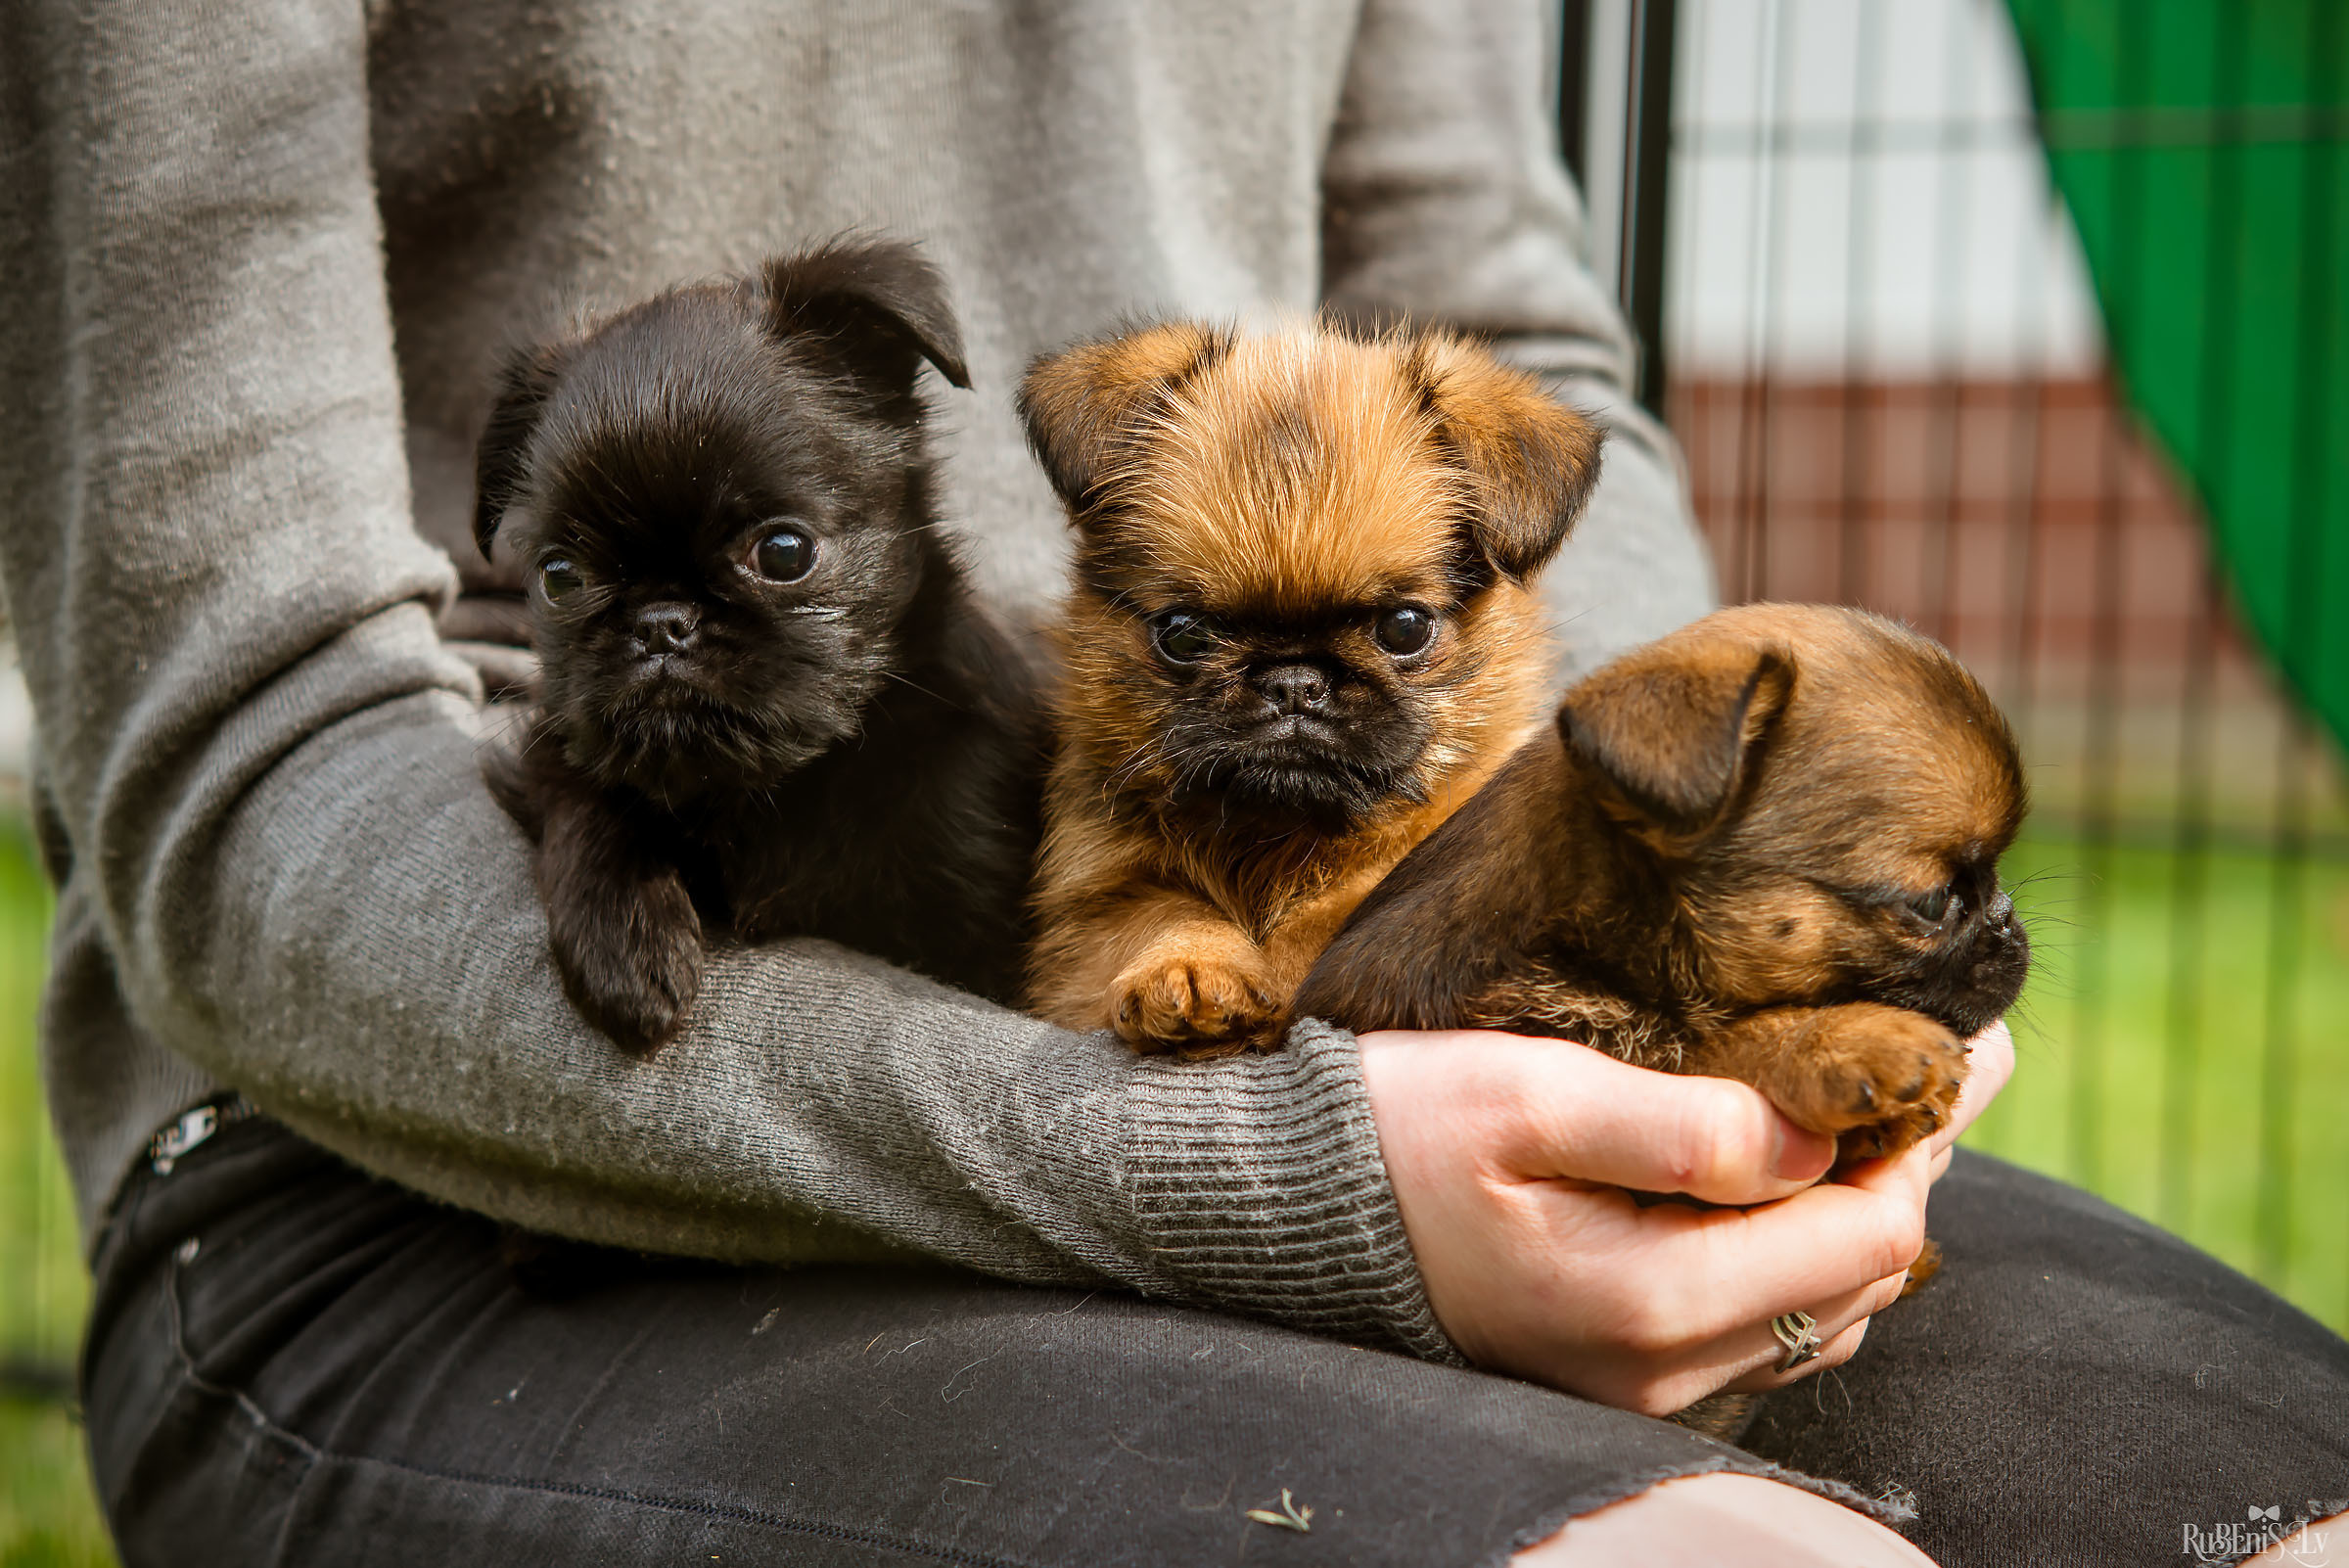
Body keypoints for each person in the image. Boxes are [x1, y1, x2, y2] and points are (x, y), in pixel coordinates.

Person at [4, 2, 2344, 1564]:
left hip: (1411, 1104)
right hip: (447, 1165)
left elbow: (1519, 342)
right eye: (1212, 629)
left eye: (1393, 636)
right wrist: (1252, 1171)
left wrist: (1646, 905)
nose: (1305, 691)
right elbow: (250, 714)